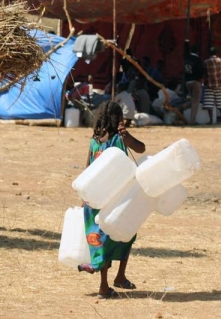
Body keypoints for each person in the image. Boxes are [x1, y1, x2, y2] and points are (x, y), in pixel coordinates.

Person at [77, 101, 146, 299]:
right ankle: (107, 285)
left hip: (93, 198)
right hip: (116, 198)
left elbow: (87, 168)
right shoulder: (118, 139)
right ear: (119, 119)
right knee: (126, 234)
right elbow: (141, 148)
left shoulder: (94, 141)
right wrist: (127, 135)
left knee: (100, 240)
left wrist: (83, 196)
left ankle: (114, 280)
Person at [203, 47, 221, 125]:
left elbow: (205, 72)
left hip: (209, 84)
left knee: (209, 104)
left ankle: (211, 121)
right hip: (219, 84)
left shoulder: (206, 62)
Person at [184, 44, 205, 125]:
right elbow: (201, 72)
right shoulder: (198, 60)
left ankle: (181, 108)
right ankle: (192, 120)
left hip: (187, 82)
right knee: (195, 102)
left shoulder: (187, 59)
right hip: (195, 82)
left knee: (191, 100)